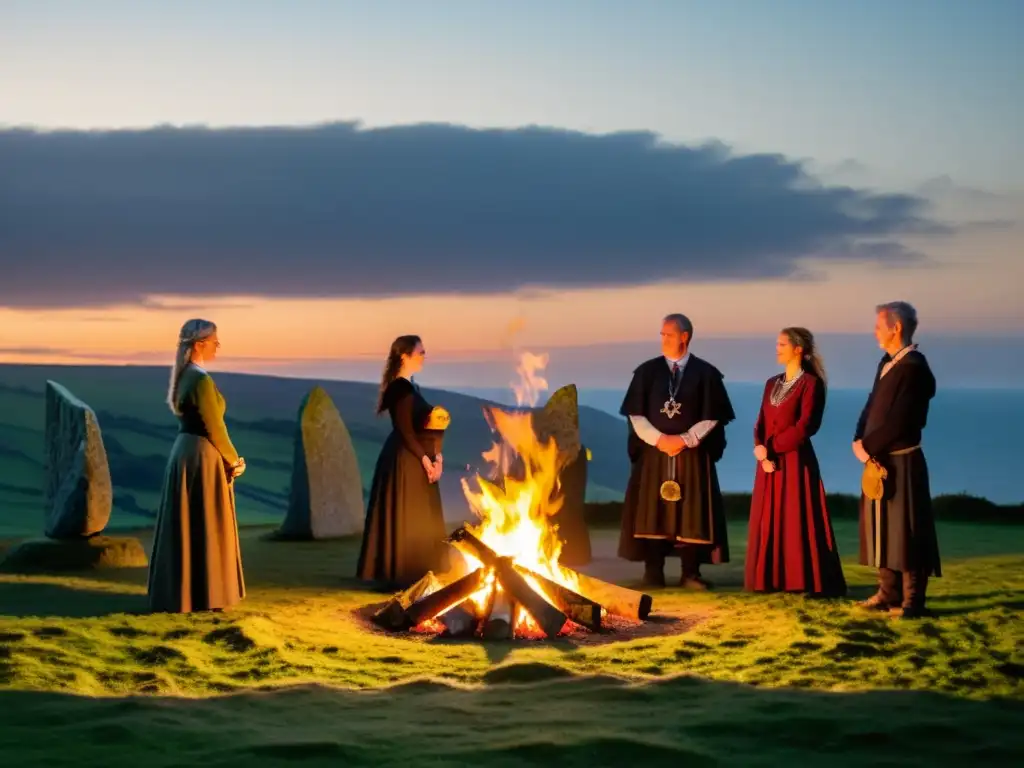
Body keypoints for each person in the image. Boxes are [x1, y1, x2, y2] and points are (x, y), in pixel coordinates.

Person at [618, 314, 735, 588]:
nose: (663, 339)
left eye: (669, 334)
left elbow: (713, 415)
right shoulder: (646, 372)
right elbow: (635, 414)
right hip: (654, 453)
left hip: (692, 454)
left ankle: (690, 574)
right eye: (662, 334)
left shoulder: (706, 374)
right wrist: (659, 439)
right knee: (652, 512)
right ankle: (653, 573)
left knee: (691, 514)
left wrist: (685, 439)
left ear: (685, 336)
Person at [148, 319, 247, 613]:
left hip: (186, 452)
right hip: (201, 456)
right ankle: (207, 594)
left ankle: (188, 593)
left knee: (189, 525)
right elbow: (214, 427)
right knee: (206, 523)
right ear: (201, 343)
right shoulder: (200, 380)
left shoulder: (185, 377)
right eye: (215, 341)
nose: (218, 346)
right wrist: (234, 459)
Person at [852, 302, 940, 618]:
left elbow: (901, 421)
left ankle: (912, 602)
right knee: (881, 528)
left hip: (903, 462)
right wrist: (858, 440)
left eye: (878, 325)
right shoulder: (887, 363)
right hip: (878, 462)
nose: (875, 331)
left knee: (908, 531)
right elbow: (871, 406)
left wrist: (868, 446)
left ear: (896, 327)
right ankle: (887, 594)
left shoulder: (915, 368)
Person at [746, 327, 847, 597]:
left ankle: (802, 580)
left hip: (794, 462)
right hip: (767, 463)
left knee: (797, 518)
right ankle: (770, 579)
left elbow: (806, 427)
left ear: (798, 349)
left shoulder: (812, 384)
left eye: (782, 344)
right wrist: (759, 447)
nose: (777, 349)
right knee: (770, 518)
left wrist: (771, 449)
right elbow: (761, 421)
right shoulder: (771, 383)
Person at [356, 335, 450, 589]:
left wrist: (437, 458)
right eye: (420, 352)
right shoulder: (400, 388)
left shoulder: (411, 387)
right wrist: (425, 460)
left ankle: (417, 572)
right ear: (404, 356)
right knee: (407, 513)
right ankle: (401, 573)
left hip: (418, 458)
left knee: (419, 515)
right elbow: (405, 430)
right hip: (405, 460)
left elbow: (429, 426)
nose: (424, 356)